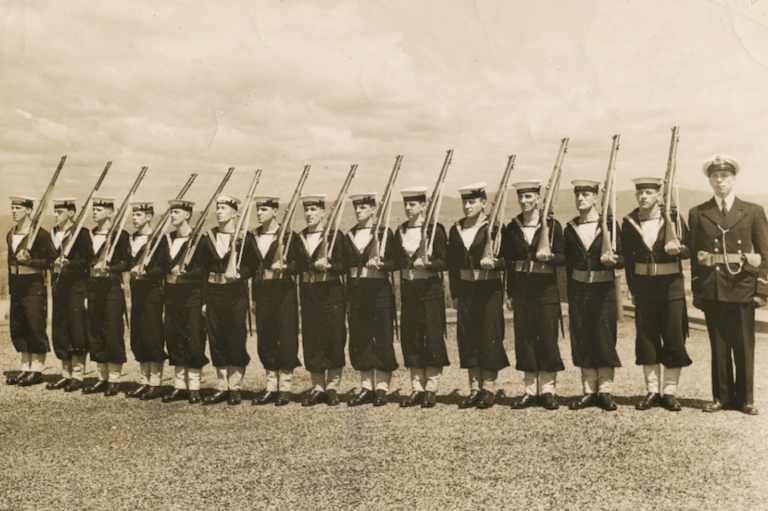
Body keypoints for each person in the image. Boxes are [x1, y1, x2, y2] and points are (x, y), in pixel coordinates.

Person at [689, 155, 768, 416]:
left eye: (724, 176)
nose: (720, 180)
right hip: (713, 288)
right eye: (715, 176)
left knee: (744, 346)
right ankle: (721, 397)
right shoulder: (698, 212)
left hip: (742, 286)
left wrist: (762, 290)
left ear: (734, 179)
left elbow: (765, 255)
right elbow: (694, 257)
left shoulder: (753, 211)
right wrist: (698, 289)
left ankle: (745, 399)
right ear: (709, 180)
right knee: (719, 346)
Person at [622, 177, 692, 412]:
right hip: (644, 289)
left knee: (674, 337)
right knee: (647, 339)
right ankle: (652, 391)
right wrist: (633, 290)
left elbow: (689, 248)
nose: (644, 197)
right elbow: (629, 262)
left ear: (659, 196)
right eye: (640, 193)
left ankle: (669, 392)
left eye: (649, 192)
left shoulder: (673, 219)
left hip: (671, 288)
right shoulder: (629, 222)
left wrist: (679, 249)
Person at [447, 183, 510, 410]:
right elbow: (453, 266)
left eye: (472, 201)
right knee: (468, 337)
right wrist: (455, 294)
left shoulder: (494, 228)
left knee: (489, 336)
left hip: (488, 288)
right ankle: (474, 388)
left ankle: (489, 388)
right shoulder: (456, 229)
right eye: (465, 201)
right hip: (465, 290)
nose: (468, 206)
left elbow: (508, 262)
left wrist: (494, 264)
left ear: (484, 202)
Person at [504, 181, 565, 411]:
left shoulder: (552, 225)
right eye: (522, 197)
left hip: (546, 291)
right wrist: (510, 293)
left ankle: (548, 390)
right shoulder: (513, 227)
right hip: (522, 292)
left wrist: (549, 257)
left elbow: (563, 256)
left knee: (548, 339)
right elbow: (510, 263)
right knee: (525, 340)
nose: (525, 201)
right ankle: (530, 390)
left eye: (530, 197)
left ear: (538, 199)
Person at [563, 180, 624, 412]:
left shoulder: (609, 225)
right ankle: (589, 391)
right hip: (579, 291)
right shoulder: (570, 228)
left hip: (603, 290)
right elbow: (567, 266)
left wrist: (615, 260)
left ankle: (605, 391)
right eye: (577, 194)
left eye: (586, 194)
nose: (581, 199)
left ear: (596, 197)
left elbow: (624, 258)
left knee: (605, 339)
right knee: (582, 338)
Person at [393, 187, 449, 409]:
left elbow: (446, 261)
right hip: (409, 290)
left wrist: (430, 264)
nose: (409, 208)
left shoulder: (436, 230)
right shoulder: (400, 231)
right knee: (412, 337)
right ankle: (417, 387)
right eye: (406, 204)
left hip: (430, 289)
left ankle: (431, 389)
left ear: (424, 206)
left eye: (413, 204)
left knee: (432, 336)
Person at [197, 194, 255, 406]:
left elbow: (253, 266)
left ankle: (235, 387)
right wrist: (204, 299)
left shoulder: (244, 237)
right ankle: (222, 386)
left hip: (235, 293)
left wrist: (240, 274)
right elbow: (203, 271)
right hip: (214, 292)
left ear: (234, 213)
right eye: (218, 207)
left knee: (235, 337)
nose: (219, 211)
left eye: (224, 208)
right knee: (216, 338)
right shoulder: (208, 238)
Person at [343, 192, 398, 406]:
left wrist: (382, 265)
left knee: (382, 337)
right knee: (360, 339)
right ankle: (367, 387)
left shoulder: (385, 234)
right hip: (357, 292)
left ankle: (382, 388)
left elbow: (397, 263)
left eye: (363, 207)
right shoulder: (350, 235)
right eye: (356, 208)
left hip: (379, 291)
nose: (359, 211)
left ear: (374, 210)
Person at [248, 194, 302, 407]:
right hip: (263, 293)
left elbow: (301, 264)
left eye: (264, 210)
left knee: (286, 336)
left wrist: (287, 268)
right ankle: (271, 386)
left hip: (284, 292)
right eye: (258, 209)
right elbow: (253, 270)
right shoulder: (252, 236)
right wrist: (253, 298)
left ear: (275, 212)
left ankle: (285, 387)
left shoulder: (288, 236)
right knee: (266, 338)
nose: (259, 213)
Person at [295, 194, 346, 407]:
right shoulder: (299, 237)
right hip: (309, 292)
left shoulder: (335, 236)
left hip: (331, 291)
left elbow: (346, 266)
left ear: (323, 212)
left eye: (314, 210)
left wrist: (331, 266)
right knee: (312, 338)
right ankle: (317, 387)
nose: (309, 214)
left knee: (333, 336)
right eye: (307, 210)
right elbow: (297, 266)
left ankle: (333, 387)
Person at [160, 199, 208, 405]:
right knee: (174, 339)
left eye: (177, 212)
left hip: (192, 297)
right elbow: (161, 266)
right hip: (172, 296)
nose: (172, 216)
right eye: (171, 212)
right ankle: (180, 385)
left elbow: (205, 269)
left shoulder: (199, 240)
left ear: (187, 215)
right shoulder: (167, 239)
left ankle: (195, 387)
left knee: (194, 340)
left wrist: (186, 273)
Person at [5, 196, 56, 387]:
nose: (14, 210)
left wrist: (30, 262)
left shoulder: (41, 235)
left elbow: (50, 262)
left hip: (33, 284)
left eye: (18, 207)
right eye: (12, 207)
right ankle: (25, 368)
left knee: (35, 325)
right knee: (19, 326)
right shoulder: (11, 233)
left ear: (28, 210)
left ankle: (37, 370)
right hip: (17, 284)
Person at [84, 196, 130, 397]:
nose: (95, 212)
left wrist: (110, 267)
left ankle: (114, 379)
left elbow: (127, 262)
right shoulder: (90, 234)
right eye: (94, 209)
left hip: (111, 287)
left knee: (112, 331)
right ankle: (101, 377)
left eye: (100, 209)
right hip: (94, 287)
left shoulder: (121, 235)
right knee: (95, 331)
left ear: (111, 212)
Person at [48, 198, 93, 392]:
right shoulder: (53, 233)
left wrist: (71, 264)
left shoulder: (81, 233)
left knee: (77, 328)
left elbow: (88, 260)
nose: (56, 215)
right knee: (60, 328)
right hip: (58, 287)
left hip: (76, 286)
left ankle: (77, 374)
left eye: (60, 211)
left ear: (71, 213)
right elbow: (49, 258)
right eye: (55, 211)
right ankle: (65, 373)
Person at [126, 201, 168, 401]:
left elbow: (163, 269)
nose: (135, 218)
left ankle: (155, 383)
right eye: (134, 215)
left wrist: (147, 273)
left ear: (149, 217)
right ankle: (144, 380)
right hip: (136, 293)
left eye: (139, 215)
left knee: (152, 336)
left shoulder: (158, 239)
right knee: (139, 336)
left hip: (152, 293)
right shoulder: (133, 238)